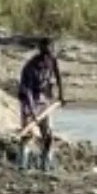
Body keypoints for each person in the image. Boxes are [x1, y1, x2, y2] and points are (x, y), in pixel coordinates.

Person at [17, 37, 64, 170]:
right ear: (41, 51)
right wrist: (33, 113)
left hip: (44, 100)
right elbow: (27, 92)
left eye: (51, 52)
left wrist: (61, 95)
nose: (47, 59)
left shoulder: (52, 60)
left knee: (48, 134)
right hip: (29, 101)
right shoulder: (30, 67)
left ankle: (46, 164)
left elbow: (58, 76)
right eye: (46, 53)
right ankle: (22, 164)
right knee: (27, 135)